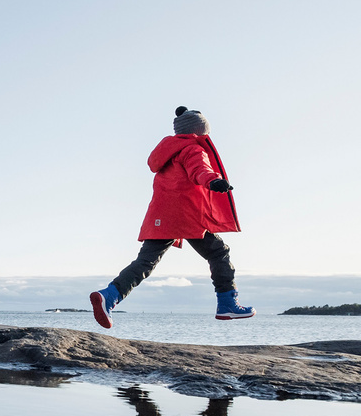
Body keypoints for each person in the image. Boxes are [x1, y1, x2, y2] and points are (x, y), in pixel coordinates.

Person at [91, 106, 254, 328]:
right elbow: (200, 169)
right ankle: (227, 304)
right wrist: (213, 180)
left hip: (160, 215)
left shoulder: (167, 152)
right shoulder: (193, 149)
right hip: (184, 215)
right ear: (200, 131)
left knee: (145, 262)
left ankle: (109, 295)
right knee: (219, 252)